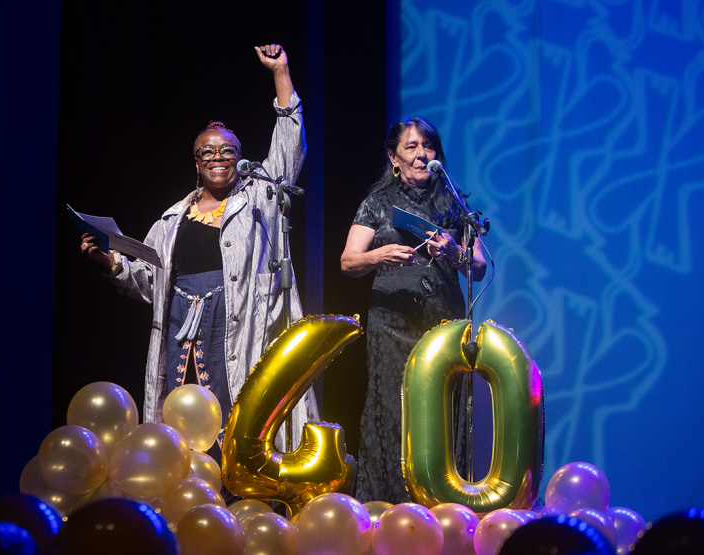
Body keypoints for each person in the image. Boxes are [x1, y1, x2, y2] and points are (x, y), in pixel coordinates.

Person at [80, 44, 318, 459]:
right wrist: (110, 262)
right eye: (207, 151)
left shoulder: (259, 196)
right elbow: (150, 281)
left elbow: (288, 146)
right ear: (196, 162)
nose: (218, 157)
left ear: (240, 159)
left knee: (233, 413)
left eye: (228, 151)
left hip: (235, 323)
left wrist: (280, 71)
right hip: (178, 327)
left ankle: (233, 490)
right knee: (180, 414)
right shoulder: (171, 220)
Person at [340, 117, 487, 504]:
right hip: (391, 324)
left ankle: (445, 503)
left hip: (443, 323)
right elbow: (348, 262)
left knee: (443, 409)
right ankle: (392, 506)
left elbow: (479, 266)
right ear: (394, 158)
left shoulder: (454, 205)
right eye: (411, 146)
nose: (421, 154)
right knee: (395, 410)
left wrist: (454, 253)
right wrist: (380, 254)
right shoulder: (377, 204)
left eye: (428, 146)